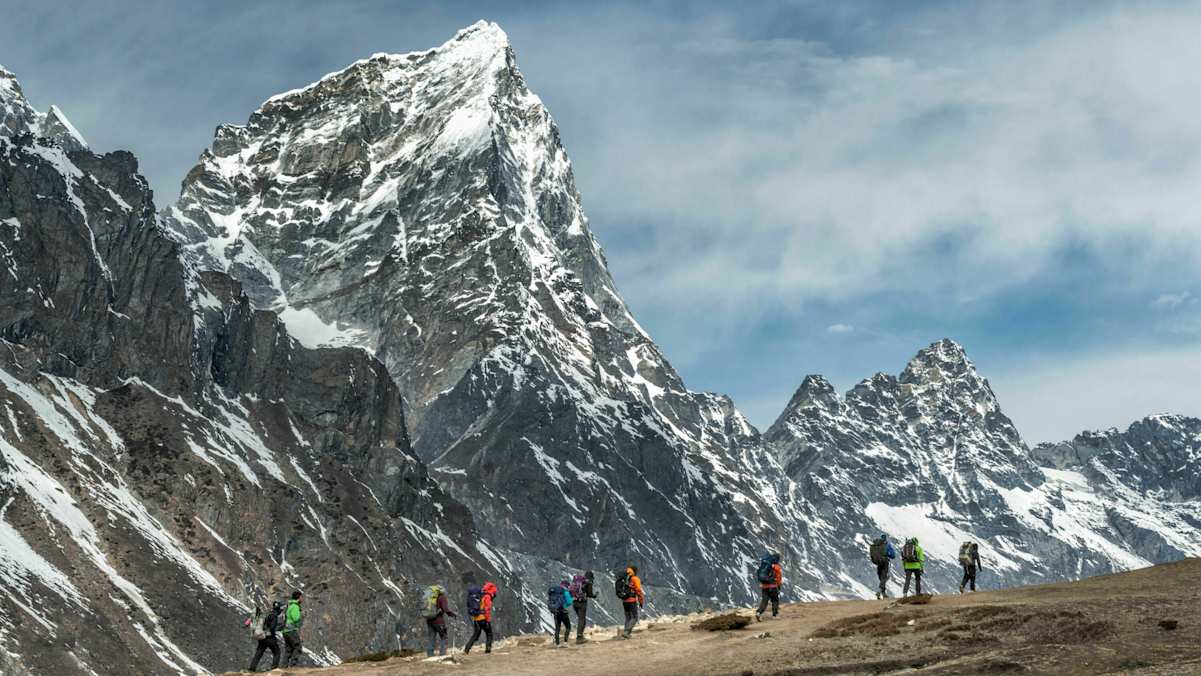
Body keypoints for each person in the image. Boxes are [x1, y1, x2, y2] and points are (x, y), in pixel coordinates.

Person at [248, 601, 283, 672]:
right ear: (278, 609)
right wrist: (274, 634)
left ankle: (252, 668)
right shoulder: (274, 616)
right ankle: (274, 669)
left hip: (262, 636)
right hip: (269, 637)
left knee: (259, 653)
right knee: (277, 652)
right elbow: (272, 628)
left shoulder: (268, 614)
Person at [464, 582, 497, 655]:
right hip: (483, 618)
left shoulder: (481, 595)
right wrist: (487, 620)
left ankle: (466, 649)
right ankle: (488, 650)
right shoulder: (487, 597)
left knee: (475, 635)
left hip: (476, 618)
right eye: (494, 592)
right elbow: (487, 609)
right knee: (489, 634)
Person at [423, 585, 456, 657]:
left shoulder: (429, 598)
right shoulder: (442, 598)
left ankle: (430, 654)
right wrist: (452, 614)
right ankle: (442, 654)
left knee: (431, 637)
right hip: (439, 621)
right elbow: (445, 609)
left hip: (429, 620)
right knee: (444, 636)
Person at [755, 552, 783, 621]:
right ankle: (775, 615)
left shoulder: (765, 564)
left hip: (764, 586)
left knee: (764, 601)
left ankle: (759, 612)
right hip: (773, 586)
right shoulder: (776, 567)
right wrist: (778, 586)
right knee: (775, 600)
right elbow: (778, 578)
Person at [572, 571, 597, 643]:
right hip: (582, 603)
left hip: (574, 602)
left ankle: (580, 636)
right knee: (582, 620)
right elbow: (589, 594)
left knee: (580, 619)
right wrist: (594, 595)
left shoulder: (578, 581)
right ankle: (579, 637)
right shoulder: (588, 582)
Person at [619, 565, 644, 638]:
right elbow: (638, 590)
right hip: (632, 601)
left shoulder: (625, 578)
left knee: (628, 618)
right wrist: (641, 601)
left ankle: (626, 633)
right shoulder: (635, 579)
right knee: (635, 618)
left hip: (624, 601)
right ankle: (626, 632)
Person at [869, 534, 897, 599]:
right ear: (885, 539)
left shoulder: (876, 545)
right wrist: (888, 554)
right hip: (885, 562)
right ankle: (879, 591)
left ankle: (883, 594)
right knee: (883, 577)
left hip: (878, 562)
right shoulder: (887, 545)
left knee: (881, 578)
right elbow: (893, 556)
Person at [282, 591, 304, 667]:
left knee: (288, 649)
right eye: (301, 597)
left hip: (285, 630)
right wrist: (300, 614)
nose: (302, 599)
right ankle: (293, 666)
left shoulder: (290, 605)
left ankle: (284, 666)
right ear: (299, 597)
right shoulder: (295, 606)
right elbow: (296, 618)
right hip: (291, 630)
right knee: (297, 647)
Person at [550, 579, 574, 646]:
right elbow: (569, 602)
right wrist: (569, 602)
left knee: (557, 628)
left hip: (556, 612)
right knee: (568, 627)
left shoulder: (555, 592)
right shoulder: (565, 592)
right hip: (563, 612)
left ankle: (557, 643)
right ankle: (565, 642)